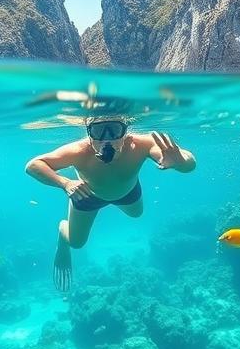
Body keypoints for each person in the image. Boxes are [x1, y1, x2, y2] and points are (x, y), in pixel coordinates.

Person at [25, 114, 196, 291]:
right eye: (98, 131)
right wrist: (65, 183)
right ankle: (63, 230)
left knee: (137, 214)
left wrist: (181, 162)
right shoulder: (78, 151)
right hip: (87, 196)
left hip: (127, 192)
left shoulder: (141, 145)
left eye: (114, 130)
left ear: (125, 132)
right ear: (89, 134)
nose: (107, 139)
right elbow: (33, 165)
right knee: (76, 244)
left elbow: (190, 163)